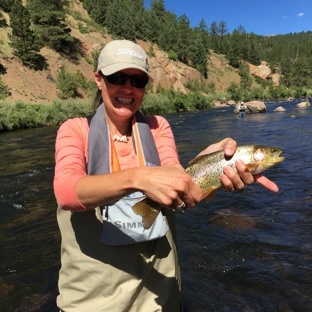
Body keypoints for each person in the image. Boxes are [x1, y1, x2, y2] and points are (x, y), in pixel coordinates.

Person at [53, 40, 279, 312]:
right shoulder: (75, 130)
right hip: (91, 299)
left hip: (159, 297)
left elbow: (175, 177)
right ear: (98, 80)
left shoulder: (158, 127)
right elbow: (66, 193)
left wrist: (207, 165)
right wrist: (136, 178)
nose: (128, 88)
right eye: (117, 78)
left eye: (138, 81)